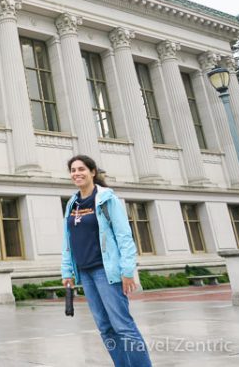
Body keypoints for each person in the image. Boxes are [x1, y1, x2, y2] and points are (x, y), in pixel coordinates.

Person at [61, 155, 152, 367]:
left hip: (106, 271)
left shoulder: (106, 199)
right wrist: (67, 271)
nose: (77, 173)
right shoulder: (72, 203)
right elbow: (68, 239)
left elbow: (124, 236)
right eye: (73, 170)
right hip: (85, 272)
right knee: (105, 328)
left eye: (81, 169)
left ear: (92, 172)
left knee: (123, 326)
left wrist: (127, 270)